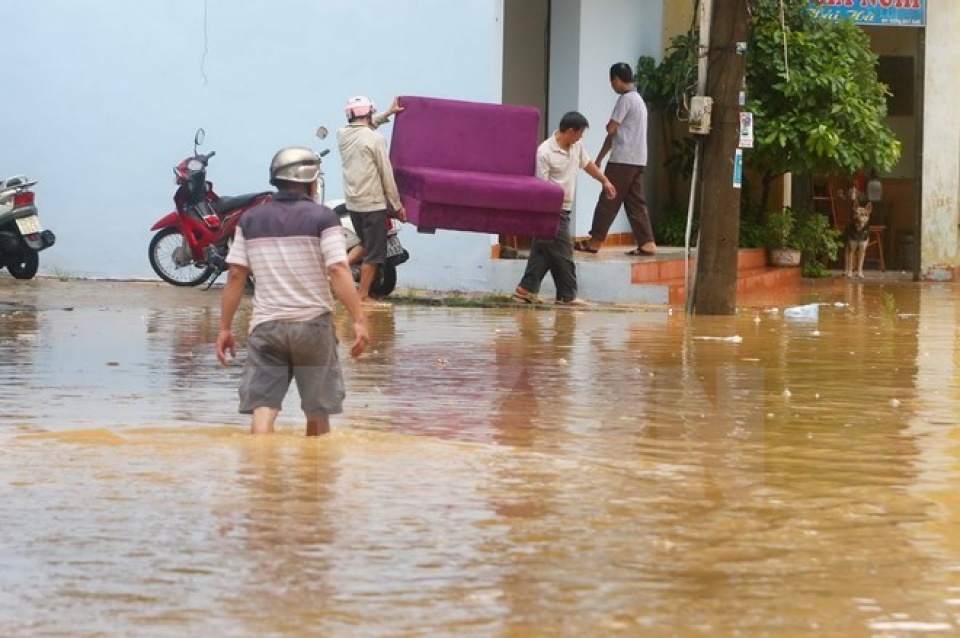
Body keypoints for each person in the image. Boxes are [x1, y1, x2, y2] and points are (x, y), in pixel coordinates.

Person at [216, 147, 369, 436]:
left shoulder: (250, 220)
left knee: (263, 407)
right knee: (318, 410)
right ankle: (313, 464)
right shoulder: (324, 218)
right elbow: (338, 268)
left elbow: (235, 275)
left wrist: (224, 328)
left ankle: (259, 461)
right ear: (310, 181)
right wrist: (359, 319)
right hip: (313, 326)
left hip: (266, 327)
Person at [514, 111, 616, 306]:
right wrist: (544, 212)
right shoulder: (545, 152)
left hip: (565, 209)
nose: (581, 137)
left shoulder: (576, 146)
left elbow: (587, 165)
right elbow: (541, 186)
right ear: (570, 131)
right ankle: (567, 296)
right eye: (580, 133)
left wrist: (605, 181)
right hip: (552, 211)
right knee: (564, 253)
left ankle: (526, 289)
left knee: (543, 252)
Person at [574, 62, 657, 257]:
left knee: (608, 199)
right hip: (638, 160)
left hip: (622, 160)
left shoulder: (625, 99)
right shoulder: (639, 100)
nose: (612, 86)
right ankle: (647, 243)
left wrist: (608, 127)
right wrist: (600, 157)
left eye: (612, 82)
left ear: (617, 80)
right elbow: (616, 136)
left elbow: (611, 129)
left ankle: (594, 241)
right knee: (636, 203)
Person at [337, 95, 408, 304]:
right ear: (369, 113)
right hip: (372, 204)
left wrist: (388, 113)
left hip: (353, 204)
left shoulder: (342, 134)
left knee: (366, 244)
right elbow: (387, 175)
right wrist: (397, 206)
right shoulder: (375, 139)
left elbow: (364, 128)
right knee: (375, 253)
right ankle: (362, 296)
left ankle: (337, 268)